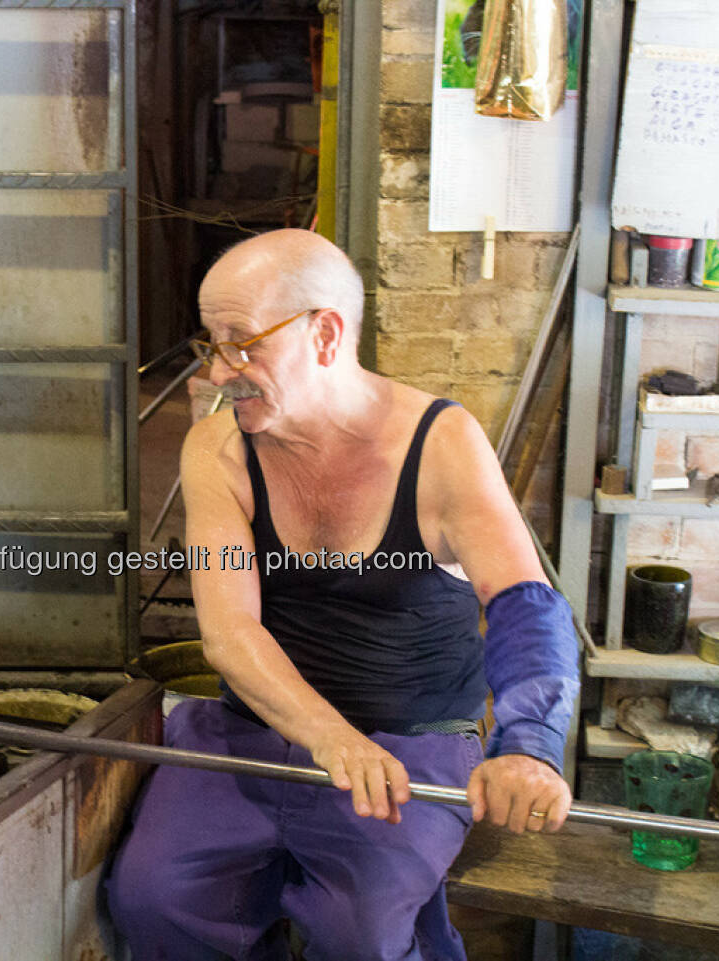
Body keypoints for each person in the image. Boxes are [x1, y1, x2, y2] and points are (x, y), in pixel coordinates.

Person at [106, 229, 579, 960]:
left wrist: (530, 745)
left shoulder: (439, 444)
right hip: (258, 731)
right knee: (154, 896)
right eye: (212, 344)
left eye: (243, 343)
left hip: (411, 740)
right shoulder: (219, 446)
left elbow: (526, 604)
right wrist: (327, 736)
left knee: (358, 931)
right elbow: (230, 633)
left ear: (324, 333)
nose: (222, 370)